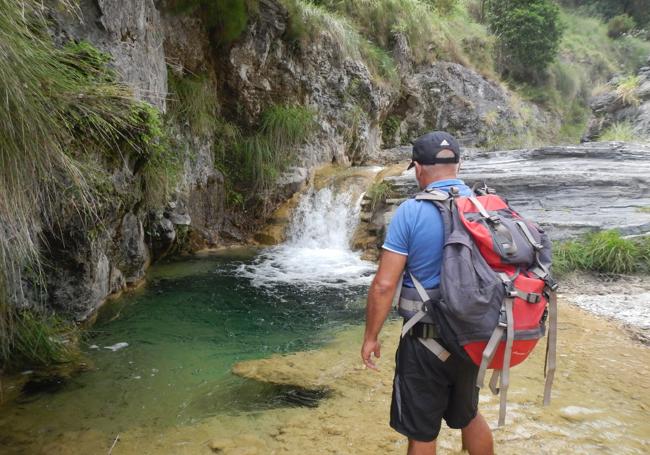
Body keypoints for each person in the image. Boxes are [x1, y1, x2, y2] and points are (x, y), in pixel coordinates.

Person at [361, 131, 494, 455]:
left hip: (424, 339)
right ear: (458, 165)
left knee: (421, 431)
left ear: (418, 168)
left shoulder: (411, 211)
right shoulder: (484, 205)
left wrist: (371, 337)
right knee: (469, 415)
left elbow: (383, 284)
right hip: (474, 336)